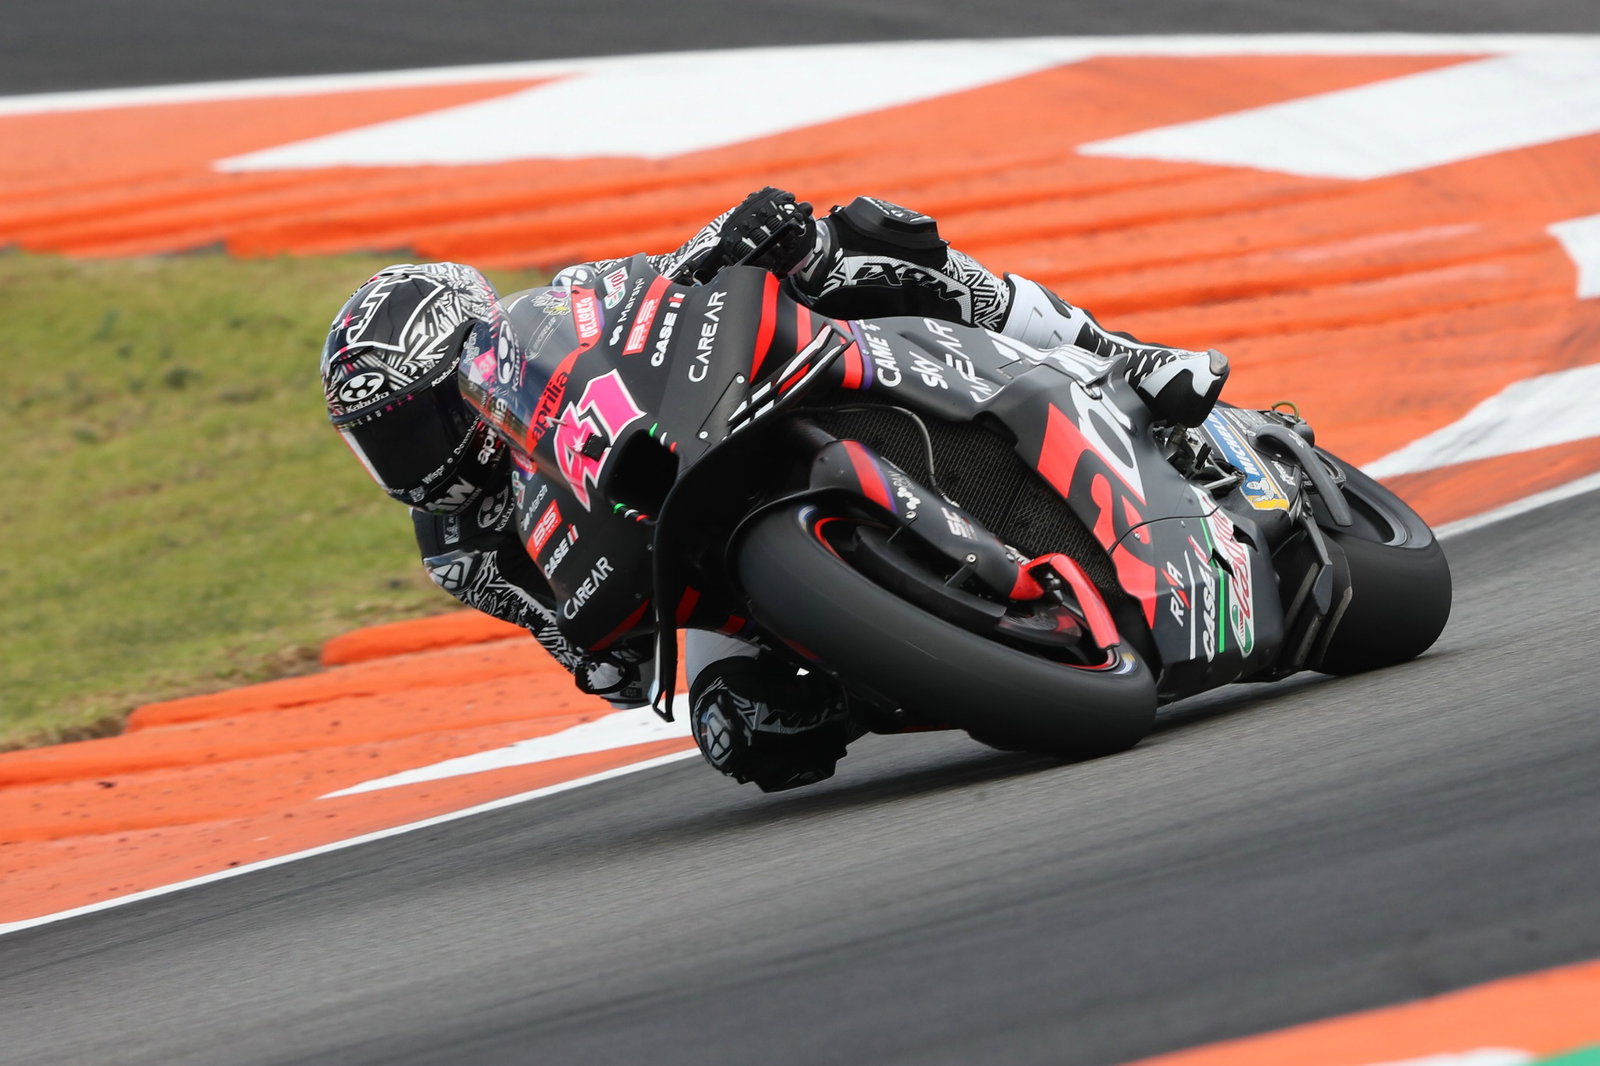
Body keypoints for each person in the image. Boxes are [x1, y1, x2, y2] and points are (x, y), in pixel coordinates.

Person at [321, 188, 1229, 792]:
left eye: (417, 422)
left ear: (477, 364)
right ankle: (907, 657)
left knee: (866, 235)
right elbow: (597, 664)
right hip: (667, 577)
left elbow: (648, 291)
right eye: (381, 442)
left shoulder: (549, 316)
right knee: (747, 738)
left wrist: (734, 235)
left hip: (707, 415)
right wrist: (603, 660)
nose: (409, 459)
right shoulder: (457, 547)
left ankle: (1121, 356)